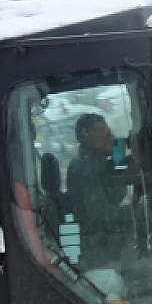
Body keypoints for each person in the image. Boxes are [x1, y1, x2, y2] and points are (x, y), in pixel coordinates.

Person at [66, 113, 132, 271]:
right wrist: (135, 212)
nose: (113, 138)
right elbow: (99, 214)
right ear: (91, 141)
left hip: (106, 247)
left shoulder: (99, 164)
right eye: (107, 135)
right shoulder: (86, 170)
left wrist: (119, 169)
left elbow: (113, 198)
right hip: (100, 253)